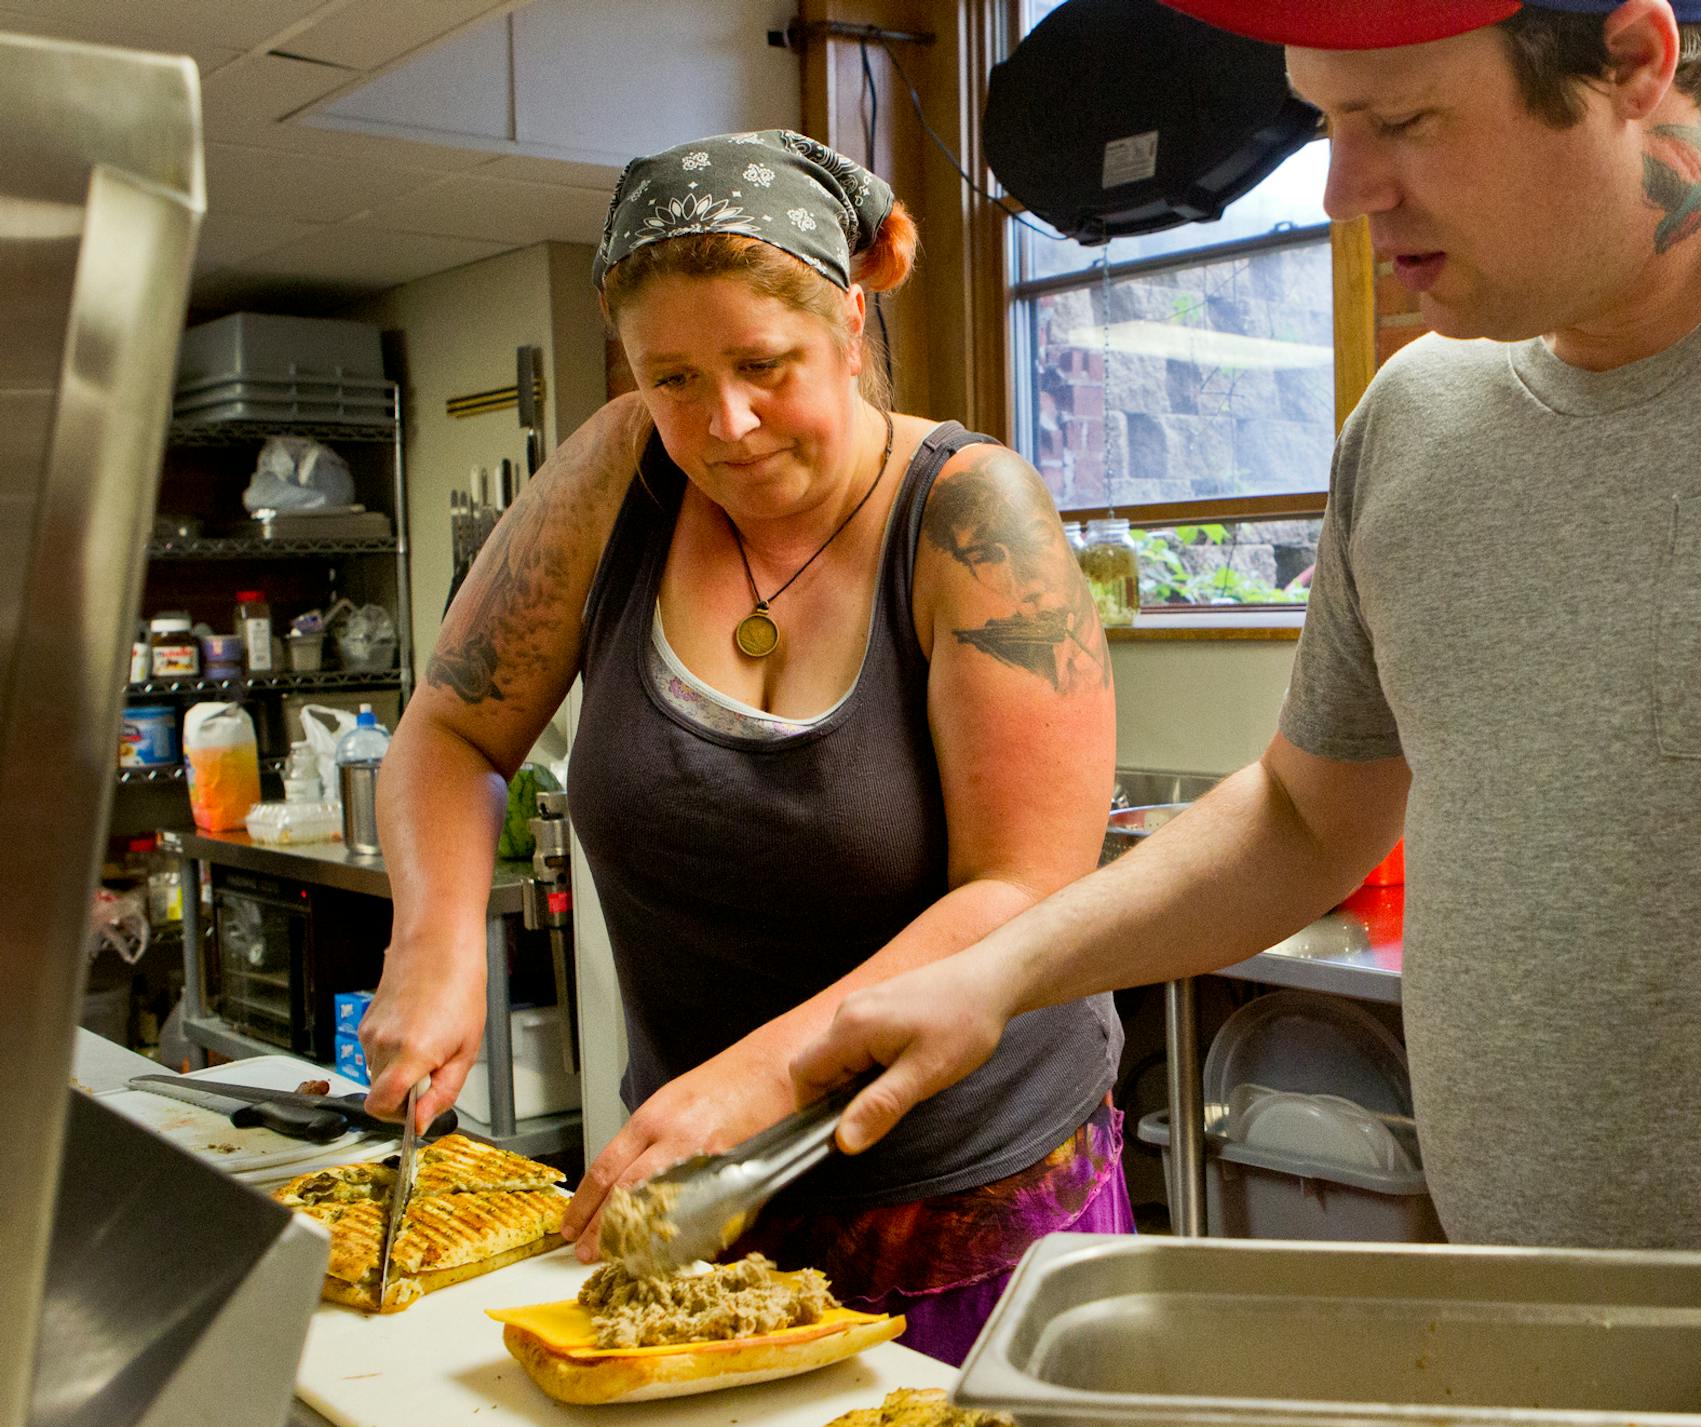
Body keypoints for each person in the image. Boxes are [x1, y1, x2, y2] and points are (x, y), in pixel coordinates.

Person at [789, 3, 1701, 1422]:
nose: (1340, 189)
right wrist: (998, 973)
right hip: (1525, 1360)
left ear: (1634, 61)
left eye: (1404, 122)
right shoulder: (1420, 417)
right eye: (1325, 120)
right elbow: (1310, 810)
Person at [358, 129, 1131, 1364]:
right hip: (697, 1194)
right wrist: (436, 940)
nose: (723, 423)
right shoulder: (618, 475)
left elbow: (1027, 887)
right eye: (671, 380)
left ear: (851, 321)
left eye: (764, 364)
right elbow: (452, 726)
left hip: (956, 1192)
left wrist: (764, 1076)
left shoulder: (971, 515)